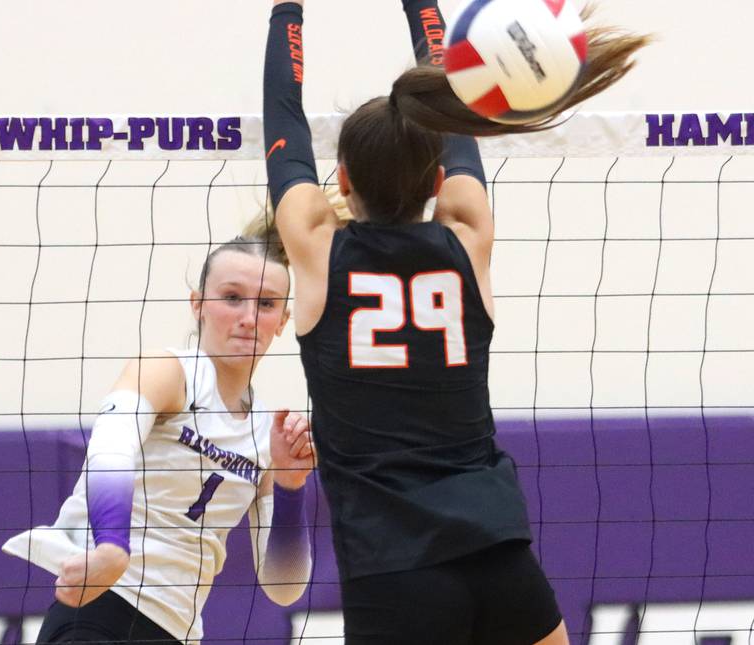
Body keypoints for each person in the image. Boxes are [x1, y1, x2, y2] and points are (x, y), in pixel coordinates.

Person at [263, 1, 647, 644]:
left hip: (393, 566)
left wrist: (287, 13)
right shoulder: (468, 239)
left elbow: (284, 124)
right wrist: (424, 7)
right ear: (438, 180)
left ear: (342, 180)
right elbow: (459, 114)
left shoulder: (318, 251)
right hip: (496, 550)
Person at [2, 227, 314, 644]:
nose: (249, 317)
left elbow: (283, 587)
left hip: (176, 632)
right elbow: (111, 449)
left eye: (267, 304)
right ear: (198, 304)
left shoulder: (265, 433)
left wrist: (292, 489)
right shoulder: (168, 372)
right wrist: (112, 547)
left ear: (282, 323)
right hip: (101, 610)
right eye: (233, 297)